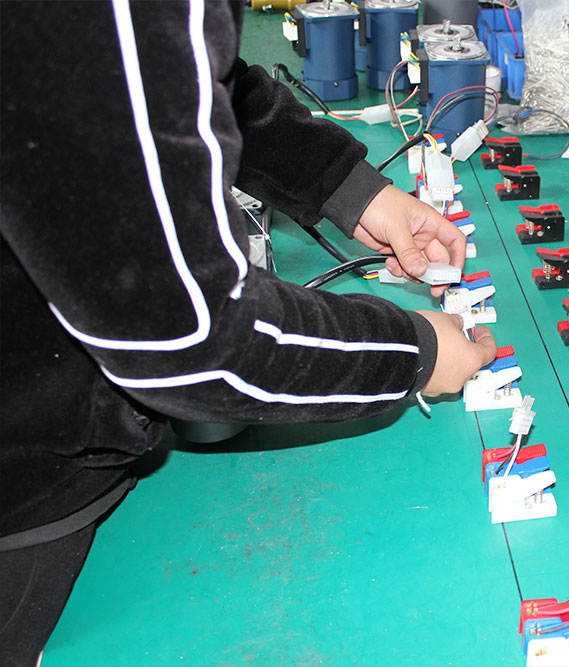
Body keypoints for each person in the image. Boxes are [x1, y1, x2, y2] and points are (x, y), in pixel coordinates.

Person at [0, 1, 497, 662]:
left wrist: (346, 188)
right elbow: (195, 339)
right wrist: (415, 351)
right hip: (25, 491)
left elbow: (182, 78)